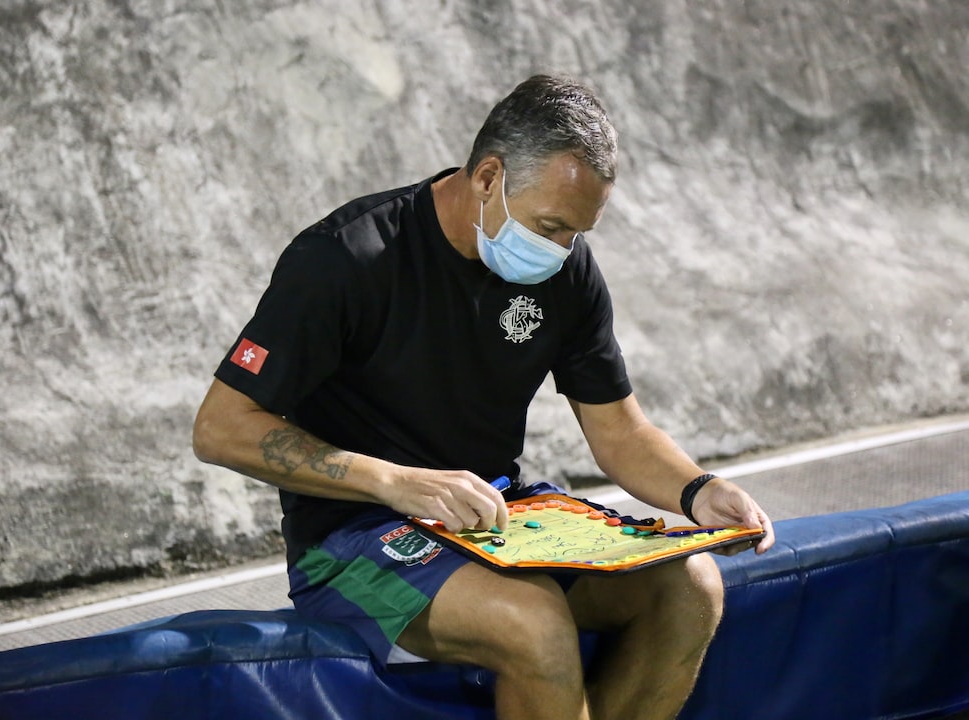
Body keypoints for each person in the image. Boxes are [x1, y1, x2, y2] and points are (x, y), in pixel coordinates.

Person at [193, 74, 774, 720]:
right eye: (551, 226)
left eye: (577, 234)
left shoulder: (567, 271)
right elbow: (220, 427)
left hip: (498, 515)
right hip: (353, 537)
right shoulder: (346, 259)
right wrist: (394, 482)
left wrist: (700, 491)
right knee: (534, 623)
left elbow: (621, 432)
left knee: (690, 587)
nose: (561, 252)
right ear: (489, 177)